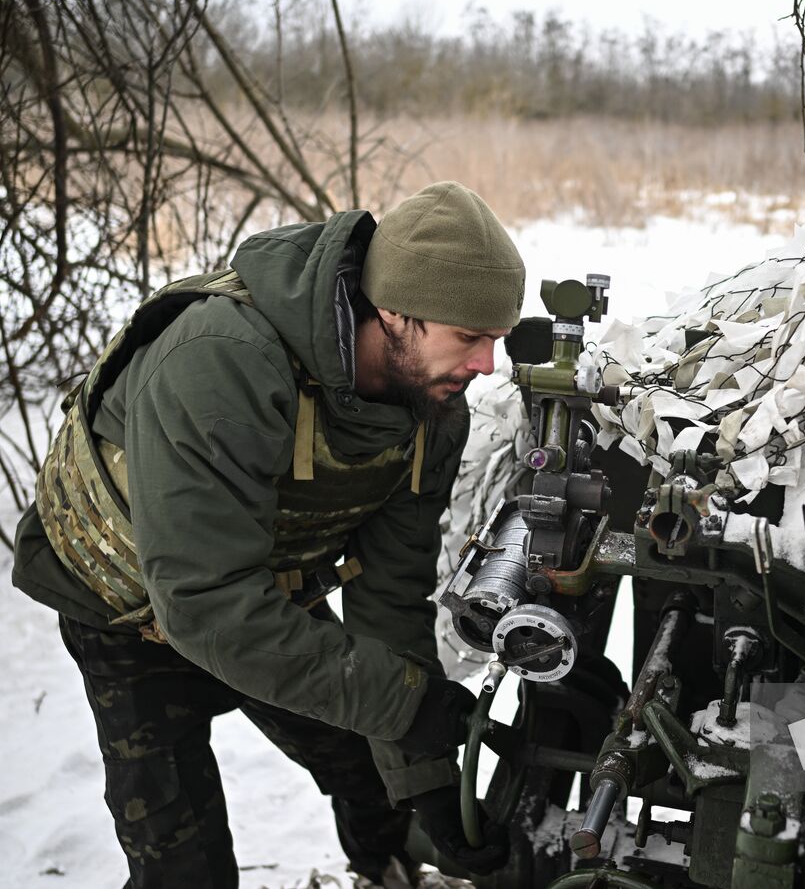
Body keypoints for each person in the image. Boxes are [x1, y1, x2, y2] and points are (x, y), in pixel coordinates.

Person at [10, 181, 521, 887]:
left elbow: (391, 593)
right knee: (186, 870)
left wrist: (426, 776)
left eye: (495, 338)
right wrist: (404, 701)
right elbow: (204, 603)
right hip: (125, 605)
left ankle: (389, 863)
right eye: (469, 336)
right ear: (395, 310)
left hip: (264, 586)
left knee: (371, 762)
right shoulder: (222, 362)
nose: (487, 364)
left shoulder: (431, 405)